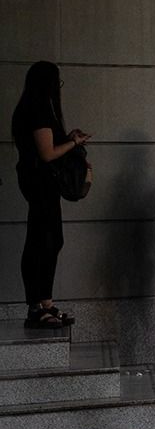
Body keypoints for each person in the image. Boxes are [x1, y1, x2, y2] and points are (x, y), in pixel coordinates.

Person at [10, 61, 90, 329]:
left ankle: (43, 303)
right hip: (41, 181)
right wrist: (73, 143)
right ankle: (38, 304)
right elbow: (47, 154)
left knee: (47, 239)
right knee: (44, 240)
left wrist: (67, 138)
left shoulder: (27, 109)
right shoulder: (39, 110)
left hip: (35, 180)